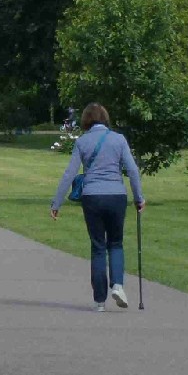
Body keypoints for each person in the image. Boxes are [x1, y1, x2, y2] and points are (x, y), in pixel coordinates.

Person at [51, 102, 145, 312]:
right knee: (116, 243)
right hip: (116, 195)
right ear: (105, 118)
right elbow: (132, 170)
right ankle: (118, 285)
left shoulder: (82, 142)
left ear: (85, 120)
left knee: (98, 246)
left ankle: (99, 300)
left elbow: (70, 173)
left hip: (92, 196)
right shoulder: (119, 139)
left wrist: (57, 202)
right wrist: (139, 198)